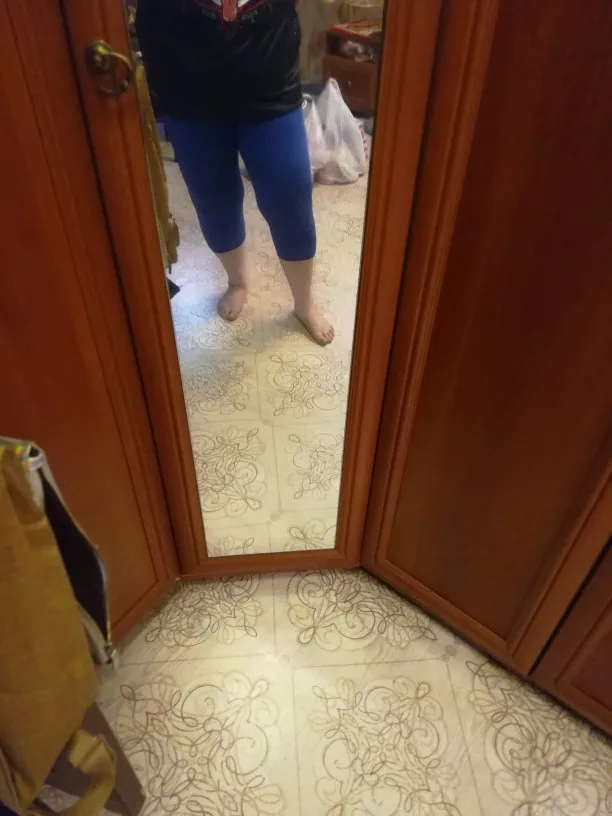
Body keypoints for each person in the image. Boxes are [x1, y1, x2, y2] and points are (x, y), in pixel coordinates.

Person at [136, 0, 334, 345]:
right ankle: (237, 281)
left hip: (270, 80)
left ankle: (304, 302)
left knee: (289, 196)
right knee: (213, 201)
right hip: (187, 92)